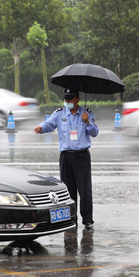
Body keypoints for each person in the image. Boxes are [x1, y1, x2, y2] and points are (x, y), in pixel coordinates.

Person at [34, 88, 98, 229]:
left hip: (82, 156)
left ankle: (87, 220)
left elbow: (95, 132)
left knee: (85, 190)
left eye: (69, 99)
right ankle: (71, 218)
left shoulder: (87, 113)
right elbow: (49, 123)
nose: (66, 102)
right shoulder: (59, 113)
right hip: (66, 157)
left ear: (77, 100)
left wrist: (87, 122)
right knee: (68, 191)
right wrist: (41, 128)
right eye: (65, 99)